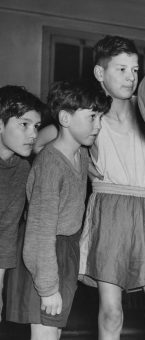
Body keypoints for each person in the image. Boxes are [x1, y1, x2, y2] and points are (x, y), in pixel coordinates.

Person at [75, 35, 145, 340]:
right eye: (121, 69)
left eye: (135, 70)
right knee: (112, 312)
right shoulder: (89, 112)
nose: (130, 77)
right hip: (110, 208)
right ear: (100, 73)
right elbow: (54, 141)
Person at [6, 80, 111, 340]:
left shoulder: (81, 153)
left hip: (65, 253)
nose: (98, 126)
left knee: (55, 334)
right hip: (44, 257)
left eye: (100, 117)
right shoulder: (49, 166)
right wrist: (47, 287)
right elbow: (40, 232)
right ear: (65, 118)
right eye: (91, 117)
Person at [0, 85, 44, 321]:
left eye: (36, 126)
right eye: (24, 124)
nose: (33, 134)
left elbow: (5, 233)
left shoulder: (21, 168)